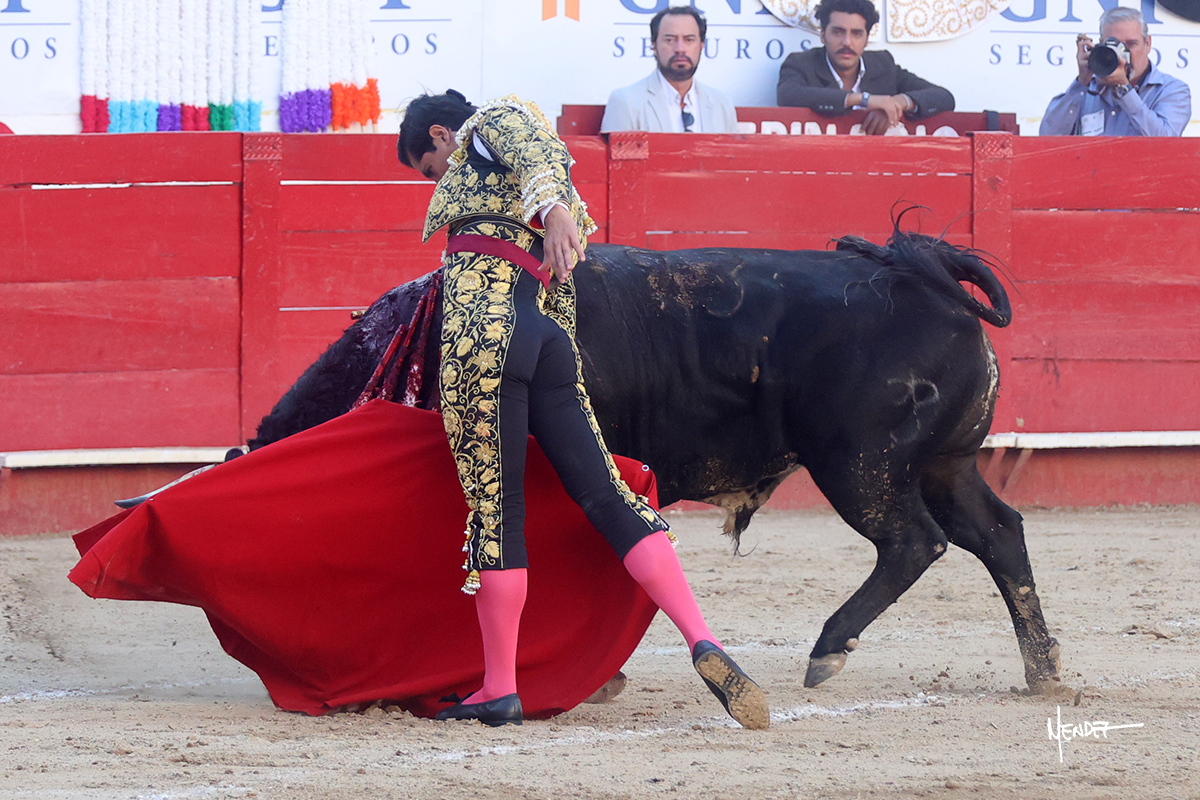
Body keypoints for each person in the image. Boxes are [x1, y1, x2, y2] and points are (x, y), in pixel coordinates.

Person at [396, 90, 768, 729]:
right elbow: (557, 274)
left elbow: (528, 142)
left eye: (430, 168)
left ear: (439, 134)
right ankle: (702, 638)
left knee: (497, 513)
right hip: (545, 334)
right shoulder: (521, 176)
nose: (437, 180)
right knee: (608, 495)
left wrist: (553, 209)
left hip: (482, 339)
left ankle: (499, 688)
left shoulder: (485, 126)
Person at [776, 0, 955, 135]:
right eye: (838, 32)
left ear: (866, 40)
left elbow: (944, 97)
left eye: (856, 34)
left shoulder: (883, 64)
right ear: (823, 35)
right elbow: (788, 95)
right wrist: (864, 100)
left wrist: (895, 104)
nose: (847, 42)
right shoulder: (801, 63)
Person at [1039, 7, 1191, 136]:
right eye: (1114, 44)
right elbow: (1048, 137)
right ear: (1101, 44)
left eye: (1131, 44)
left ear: (1148, 43)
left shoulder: (1172, 90)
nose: (1122, 53)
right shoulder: (1087, 90)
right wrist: (1082, 82)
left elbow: (1165, 140)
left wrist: (1124, 90)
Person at [600, 6, 738, 133]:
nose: (680, 49)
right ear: (654, 45)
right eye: (670, 40)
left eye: (689, 40)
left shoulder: (722, 104)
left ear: (701, 45)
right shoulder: (625, 102)